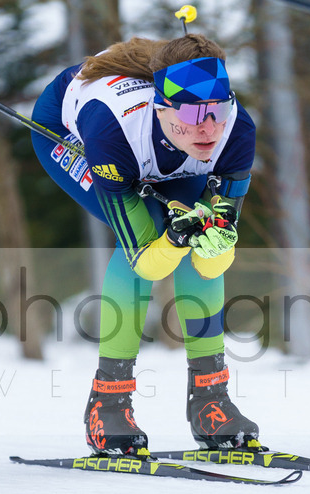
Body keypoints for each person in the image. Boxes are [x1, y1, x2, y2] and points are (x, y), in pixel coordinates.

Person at [31, 33, 261, 458]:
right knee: (153, 229)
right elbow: (147, 263)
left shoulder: (235, 130)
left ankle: (211, 401)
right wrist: (174, 237)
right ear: (162, 108)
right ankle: (107, 403)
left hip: (156, 149)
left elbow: (214, 260)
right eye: (192, 114)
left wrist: (213, 241)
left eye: (217, 110)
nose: (207, 127)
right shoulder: (112, 132)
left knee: (202, 230)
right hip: (68, 132)